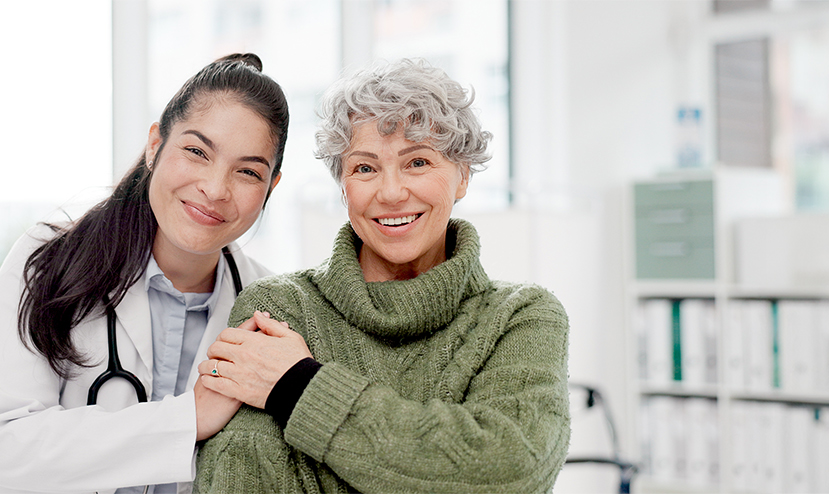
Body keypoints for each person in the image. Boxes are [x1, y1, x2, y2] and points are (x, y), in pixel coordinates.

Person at [194, 59, 572, 493]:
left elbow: (511, 470)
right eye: (365, 168)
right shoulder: (279, 310)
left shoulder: (521, 317)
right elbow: (240, 482)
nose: (391, 193)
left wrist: (300, 387)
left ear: (462, 175)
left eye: (417, 162)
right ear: (342, 186)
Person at [0, 53, 288, 494]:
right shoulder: (48, 261)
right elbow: (8, 445)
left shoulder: (272, 312)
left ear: (270, 187)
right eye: (196, 152)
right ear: (155, 146)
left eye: (248, 172)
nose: (215, 189)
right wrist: (187, 419)